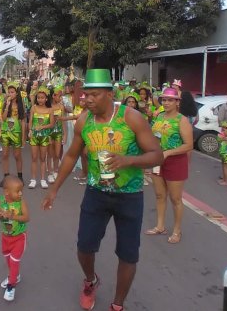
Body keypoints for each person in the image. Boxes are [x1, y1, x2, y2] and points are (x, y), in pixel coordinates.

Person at [42, 69, 164, 311]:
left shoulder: (131, 118)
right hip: (96, 193)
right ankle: (91, 280)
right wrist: (54, 189)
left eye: (94, 95)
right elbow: (71, 156)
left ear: (109, 94)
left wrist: (128, 160)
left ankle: (118, 304)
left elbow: (157, 155)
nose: (87, 100)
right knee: (84, 246)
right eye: (86, 95)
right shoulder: (83, 121)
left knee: (128, 254)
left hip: (129, 196)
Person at [146, 87, 194, 244]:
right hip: (157, 161)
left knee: (175, 199)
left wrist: (168, 153)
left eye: (170, 100)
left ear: (177, 102)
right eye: (164, 100)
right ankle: (160, 226)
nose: (166, 102)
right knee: (160, 195)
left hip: (175, 162)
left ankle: (177, 230)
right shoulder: (158, 117)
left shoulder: (182, 120)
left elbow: (188, 145)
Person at [0, 175, 30, 302]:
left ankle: (11, 286)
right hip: (5, 237)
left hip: (19, 237)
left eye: (21, 191)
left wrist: (13, 216)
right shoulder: (1, 200)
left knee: (14, 261)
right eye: (17, 191)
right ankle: (15, 276)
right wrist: (1, 214)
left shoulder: (21, 202)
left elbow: (26, 218)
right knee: (8, 260)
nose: (20, 193)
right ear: (7, 192)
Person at [0, 82, 27, 186]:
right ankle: (6, 177)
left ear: (16, 93)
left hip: (16, 132)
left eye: (12, 92)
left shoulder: (21, 104)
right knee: (5, 154)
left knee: (17, 155)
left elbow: (23, 121)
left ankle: (20, 177)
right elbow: (4, 118)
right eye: (9, 92)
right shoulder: (6, 103)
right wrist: (7, 105)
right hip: (6, 131)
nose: (10, 94)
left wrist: (23, 136)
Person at [28, 86, 55, 189]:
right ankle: (33, 179)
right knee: (34, 158)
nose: (40, 99)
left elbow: (52, 124)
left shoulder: (50, 109)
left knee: (43, 158)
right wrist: (30, 130)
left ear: (46, 98)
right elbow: (30, 122)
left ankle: (43, 179)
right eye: (38, 98)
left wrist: (42, 127)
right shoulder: (34, 108)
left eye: (42, 98)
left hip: (44, 136)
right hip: (34, 136)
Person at [48, 86, 67, 183]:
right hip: (49, 133)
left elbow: (63, 121)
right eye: (59, 96)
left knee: (57, 153)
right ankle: (50, 173)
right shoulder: (48, 107)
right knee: (50, 154)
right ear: (53, 96)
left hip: (58, 132)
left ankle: (55, 170)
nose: (61, 98)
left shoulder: (61, 107)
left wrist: (65, 134)